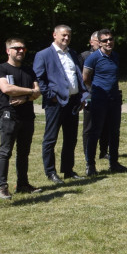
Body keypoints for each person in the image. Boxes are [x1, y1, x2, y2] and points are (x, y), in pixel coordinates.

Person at [34, 25, 86, 184]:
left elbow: (77, 76)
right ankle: (51, 172)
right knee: (51, 139)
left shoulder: (72, 53)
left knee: (71, 139)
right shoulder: (43, 55)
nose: (66, 38)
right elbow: (39, 78)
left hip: (72, 102)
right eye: (63, 35)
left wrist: (83, 95)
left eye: (69, 36)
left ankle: (68, 170)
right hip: (55, 104)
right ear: (54, 35)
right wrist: (51, 96)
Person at [0, 37, 41, 199]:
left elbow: (38, 91)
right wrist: (29, 92)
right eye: (16, 48)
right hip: (9, 116)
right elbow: (7, 89)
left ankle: (23, 184)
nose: (21, 51)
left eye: (23, 48)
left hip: (27, 116)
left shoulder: (29, 70)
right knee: (5, 151)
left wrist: (26, 98)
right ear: (8, 51)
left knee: (24, 152)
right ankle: (2, 186)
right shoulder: (0, 69)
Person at [83, 28, 124, 175]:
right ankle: (90, 165)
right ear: (99, 43)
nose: (108, 42)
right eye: (105, 40)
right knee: (95, 132)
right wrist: (95, 91)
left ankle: (114, 163)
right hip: (99, 100)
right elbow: (85, 78)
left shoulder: (115, 56)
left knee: (114, 132)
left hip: (114, 100)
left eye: (110, 39)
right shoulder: (93, 58)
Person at [81, 30, 109, 162]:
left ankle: (104, 151)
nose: (100, 43)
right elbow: (82, 76)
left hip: (104, 95)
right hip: (89, 94)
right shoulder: (85, 56)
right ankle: (87, 151)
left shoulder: (108, 56)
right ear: (91, 42)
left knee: (105, 125)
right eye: (97, 41)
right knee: (89, 125)